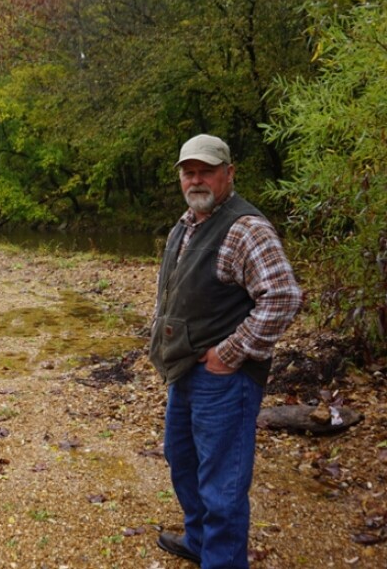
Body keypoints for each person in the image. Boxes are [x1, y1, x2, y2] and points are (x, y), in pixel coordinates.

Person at [149, 134, 303, 568]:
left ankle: (222, 559)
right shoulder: (187, 222)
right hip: (186, 370)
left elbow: (284, 297)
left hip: (225, 379)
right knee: (182, 458)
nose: (196, 179)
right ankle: (199, 542)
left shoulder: (246, 228)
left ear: (229, 174)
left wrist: (230, 354)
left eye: (206, 171)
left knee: (223, 485)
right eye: (188, 171)